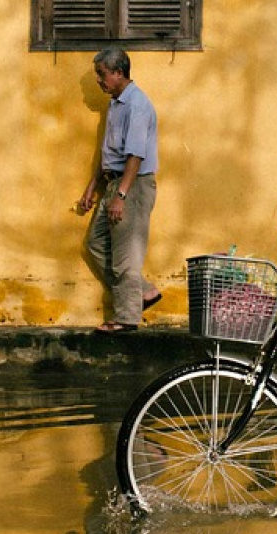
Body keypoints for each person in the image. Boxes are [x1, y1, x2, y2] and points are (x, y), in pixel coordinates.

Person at [76, 47, 162, 333]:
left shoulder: (137, 105)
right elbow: (108, 152)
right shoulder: (116, 103)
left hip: (132, 185)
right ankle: (144, 292)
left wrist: (122, 196)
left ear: (118, 72)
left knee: (126, 255)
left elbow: (135, 156)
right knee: (96, 243)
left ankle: (126, 318)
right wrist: (92, 187)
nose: (99, 81)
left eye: (102, 75)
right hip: (115, 182)